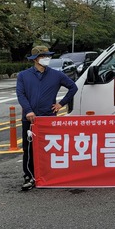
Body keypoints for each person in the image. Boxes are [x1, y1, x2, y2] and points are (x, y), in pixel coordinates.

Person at [16, 45, 78, 191]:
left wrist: (61, 104)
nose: (47, 59)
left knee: (50, 147)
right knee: (29, 149)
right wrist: (29, 111)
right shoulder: (23, 76)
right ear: (35, 59)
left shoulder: (56, 75)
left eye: (48, 56)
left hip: (48, 118)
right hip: (30, 119)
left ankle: (49, 175)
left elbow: (73, 87)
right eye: (44, 56)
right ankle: (29, 176)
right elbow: (21, 95)